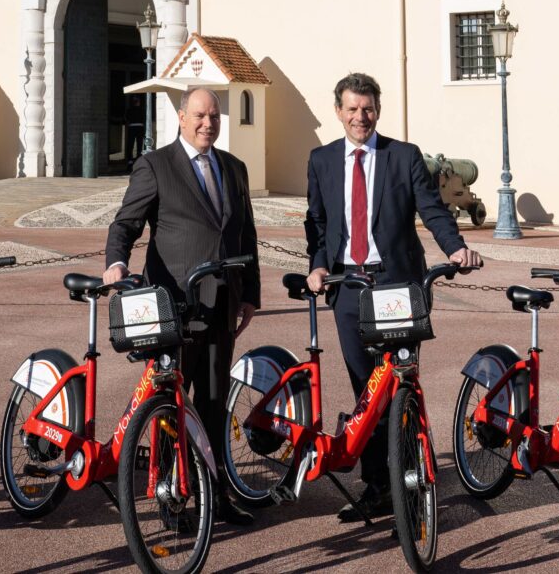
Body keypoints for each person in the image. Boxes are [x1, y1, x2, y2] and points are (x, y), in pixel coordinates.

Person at [304, 72, 482, 521]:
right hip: (347, 287)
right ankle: (378, 487)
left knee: (400, 384)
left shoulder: (403, 156)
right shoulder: (322, 159)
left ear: (377, 111)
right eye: (352, 109)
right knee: (365, 392)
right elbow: (318, 224)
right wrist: (318, 264)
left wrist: (455, 247)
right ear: (339, 112)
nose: (360, 117)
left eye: (367, 109)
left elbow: (432, 208)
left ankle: (409, 487)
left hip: (397, 286)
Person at [104, 86, 260, 525]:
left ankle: (219, 497)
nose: (207, 123)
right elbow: (126, 223)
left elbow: (245, 234)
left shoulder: (234, 167)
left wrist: (250, 293)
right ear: (180, 116)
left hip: (223, 303)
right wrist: (116, 263)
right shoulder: (156, 165)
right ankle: (171, 500)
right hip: (174, 306)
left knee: (212, 403)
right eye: (199, 115)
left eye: (214, 116)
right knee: (171, 403)